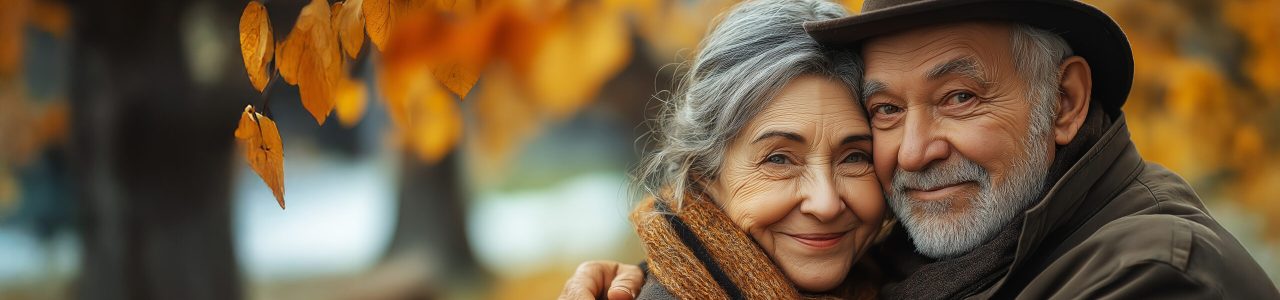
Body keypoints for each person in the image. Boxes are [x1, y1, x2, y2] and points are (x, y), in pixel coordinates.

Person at [562, 0, 1280, 299]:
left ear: (1063, 103)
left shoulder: (1152, 276)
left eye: (960, 97)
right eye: (884, 110)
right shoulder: (920, 260)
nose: (912, 150)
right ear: (704, 176)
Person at [601, 0, 891, 298]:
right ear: (703, 176)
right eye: (779, 159)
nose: (826, 204)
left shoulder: (895, 276)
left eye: (855, 157)